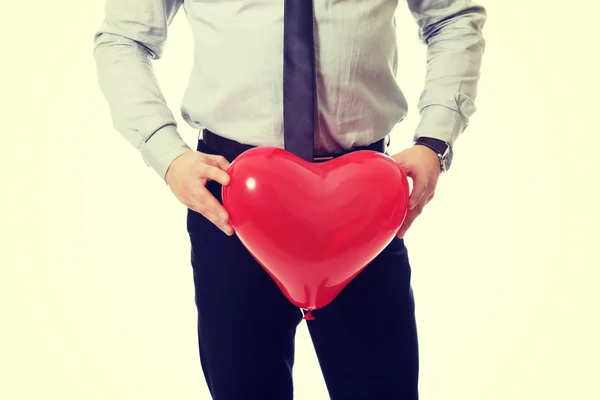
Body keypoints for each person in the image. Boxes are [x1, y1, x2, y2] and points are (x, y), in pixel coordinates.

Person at [93, 1, 486, 398]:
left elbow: (452, 18)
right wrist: (167, 153)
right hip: (231, 198)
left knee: (382, 388)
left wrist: (435, 140)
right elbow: (124, 38)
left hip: (364, 197)